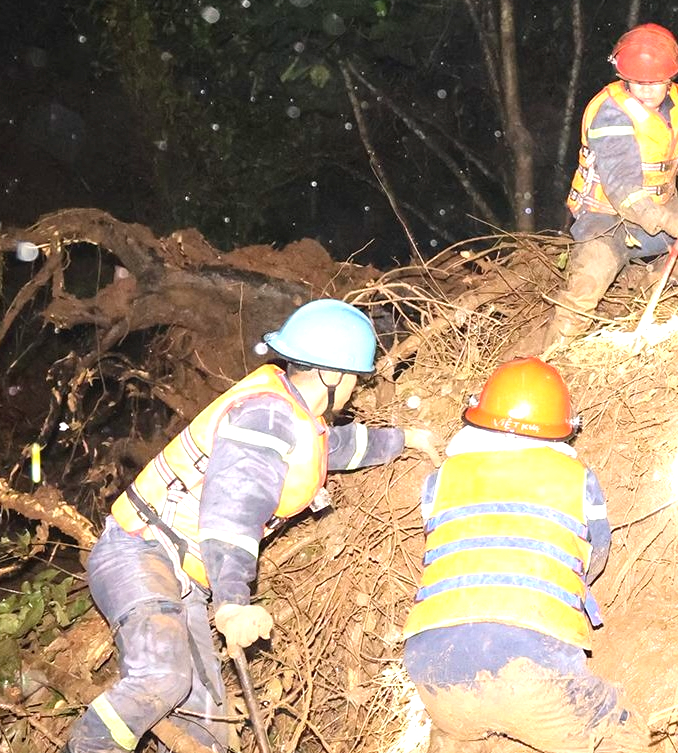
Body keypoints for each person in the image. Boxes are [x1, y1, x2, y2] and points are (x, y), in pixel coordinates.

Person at [66, 299, 437, 753]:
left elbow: (336, 448)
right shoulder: (266, 417)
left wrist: (405, 439)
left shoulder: (291, 416)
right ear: (334, 376)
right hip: (140, 552)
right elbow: (231, 515)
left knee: (204, 728)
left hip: (182, 575)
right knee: (161, 677)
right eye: (355, 379)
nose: (356, 390)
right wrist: (232, 605)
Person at [401, 356, 642, 753]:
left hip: (432, 666)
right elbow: (595, 554)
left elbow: (441, 547)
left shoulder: (439, 480)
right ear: (563, 426)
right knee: (616, 736)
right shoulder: (577, 479)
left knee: (459, 734)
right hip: (531, 664)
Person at [543, 23, 678, 348]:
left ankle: (656, 283)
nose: (646, 90)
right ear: (623, 76)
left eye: (655, 82)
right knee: (586, 284)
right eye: (638, 82)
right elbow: (622, 187)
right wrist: (668, 221)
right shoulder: (610, 113)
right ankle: (554, 355)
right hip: (606, 220)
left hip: (661, 205)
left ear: (671, 77)